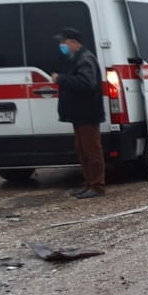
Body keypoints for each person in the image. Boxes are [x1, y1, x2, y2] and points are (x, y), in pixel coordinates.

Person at [52, 27, 106, 198]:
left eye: (64, 42)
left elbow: (86, 83)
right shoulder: (74, 58)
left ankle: (97, 186)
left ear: (74, 42)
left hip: (87, 113)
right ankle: (89, 183)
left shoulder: (85, 58)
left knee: (91, 150)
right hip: (79, 113)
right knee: (82, 150)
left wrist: (61, 79)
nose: (62, 45)